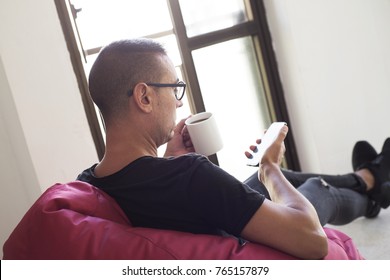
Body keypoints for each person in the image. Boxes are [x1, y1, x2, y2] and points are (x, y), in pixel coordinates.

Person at [77, 38, 390, 259]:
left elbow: (154, 203)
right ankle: (372, 181)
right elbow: (312, 242)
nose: (178, 102)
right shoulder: (189, 175)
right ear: (144, 97)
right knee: (310, 189)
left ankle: (370, 180)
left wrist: (169, 159)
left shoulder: (89, 186)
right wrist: (269, 168)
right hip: (250, 245)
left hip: (206, 219)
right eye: (174, 88)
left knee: (289, 178)